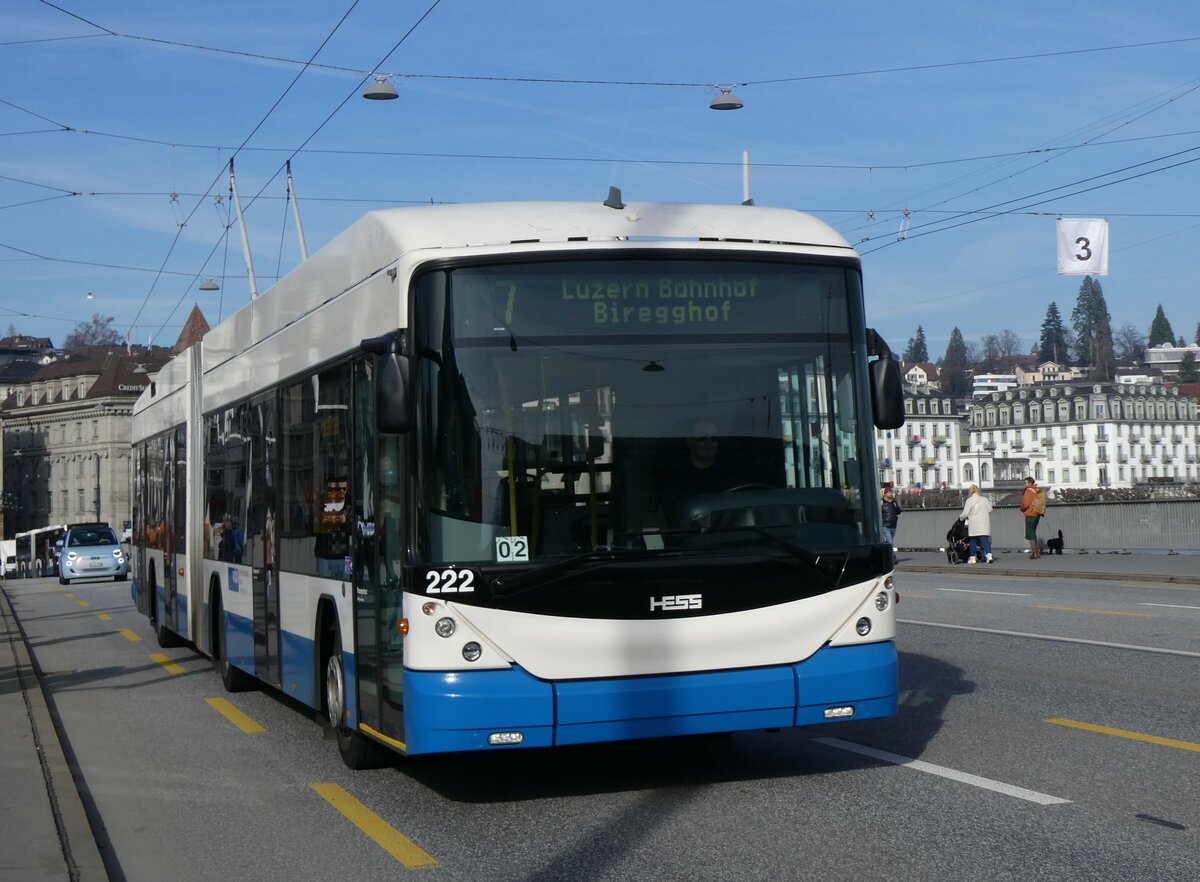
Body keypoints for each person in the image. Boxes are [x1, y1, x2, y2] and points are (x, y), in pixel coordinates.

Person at [656, 419, 737, 523]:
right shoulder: (675, 478)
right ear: (689, 442)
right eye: (702, 438)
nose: (709, 442)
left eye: (714, 438)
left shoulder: (729, 474)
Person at [315, 477, 352, 579]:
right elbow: (314, 527)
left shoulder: (348, 505)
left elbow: (351, 528)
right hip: (326, 557)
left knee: (347, 588)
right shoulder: (320, 505)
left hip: (344, 557)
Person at [959, 484, 994, 564]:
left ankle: (972, 558)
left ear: (970, 492)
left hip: (974, 524)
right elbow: (990, 509)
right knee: (985, 540)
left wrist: (960, 518)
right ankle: (989, 556)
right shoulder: (984, 499)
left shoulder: (969, 500)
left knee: (973, 540)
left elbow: (965, 513)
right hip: (984, 523)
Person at [1020, 476, 1041, 559]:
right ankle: (1037, 551)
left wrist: (1022, 509)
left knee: (1030, 533)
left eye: (1025, 482)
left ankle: (1034, 552)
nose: (1024, 484)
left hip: (1030, 513)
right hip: (1037, 513)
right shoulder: (1036, 489)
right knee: (1033, 531)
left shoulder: (1028, 490)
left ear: (1029, 482)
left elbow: (1026, 503)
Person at [880, 486, 901, 552]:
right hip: (885, 526)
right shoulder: (881, 503)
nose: (891, 494)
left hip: (893, 525)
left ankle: (884, 555)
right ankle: (892, 557)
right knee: (890, 542)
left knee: (887, 542)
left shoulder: (894, 502)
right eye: (889, 493)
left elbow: (898, 512)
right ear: (885, 494)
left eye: (891, 492)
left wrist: (896, 506)